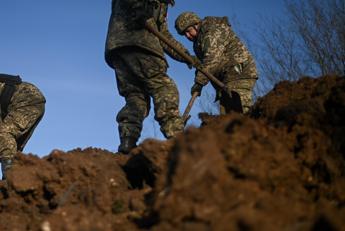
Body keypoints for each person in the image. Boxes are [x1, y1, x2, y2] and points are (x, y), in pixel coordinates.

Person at [105, 0, 192, 154]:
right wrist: (138, 6)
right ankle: (176, 136)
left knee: (136, 97)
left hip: (119, 47)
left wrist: (186, 56)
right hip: (140, 43)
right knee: (163, 87)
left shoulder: (162, 4)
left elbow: (162, 34)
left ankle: (128, 141)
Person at [175, 12, 258, 114]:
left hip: (238, 71)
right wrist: (199, 79)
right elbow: (204, 66)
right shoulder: (198, 43)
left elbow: (212, 59)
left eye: (188, 31)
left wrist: (199, 82)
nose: (187, 36)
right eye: (184, 34)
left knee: (239, 111)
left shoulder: (211, 30)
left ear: (196, 24)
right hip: (224, 80)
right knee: (226, 117)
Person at [0, 74, 45, 180]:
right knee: (10, 145)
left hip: (27, 99)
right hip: (20, 103)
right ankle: (19, 181)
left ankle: (10, 178)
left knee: (4, 134)